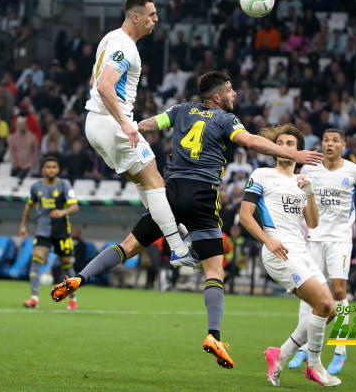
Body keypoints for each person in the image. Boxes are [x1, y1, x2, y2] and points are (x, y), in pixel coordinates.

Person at [50, 71, 323, 369]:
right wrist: (289, 152)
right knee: (214, 271)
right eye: (230, 90)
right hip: (202, 196)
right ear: (217, 97)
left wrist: (124, 129)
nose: (235, 95)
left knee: (128, 245)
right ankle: (213, 336)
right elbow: (251, 142)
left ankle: (79, 277)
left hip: (169, 193)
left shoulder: (180, 110)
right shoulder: (225, 120)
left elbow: (148, 125)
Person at [83, 0, 189, 259]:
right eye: (152, 15)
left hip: (95, 123)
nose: (156, 19)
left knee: (143, 182)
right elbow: (106, 85)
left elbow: (94, 82)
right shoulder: (125, 47)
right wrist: (125, 123)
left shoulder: (110, 38)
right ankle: (178, 248)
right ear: (136, 16)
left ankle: (174, 228)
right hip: (112, 123)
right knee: (154, 179)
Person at [238, 124, 340, 387]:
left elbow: (314, 223)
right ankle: (314, 366)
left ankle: (279, 355)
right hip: (278, 253)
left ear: (299, 150)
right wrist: (268, 241)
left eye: (290, 144)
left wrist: (310, 192)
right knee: (324, 305)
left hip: (301, 251)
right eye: (280, 143)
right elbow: (245, 217)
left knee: (330, 311)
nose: (285, 148)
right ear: (274, 148)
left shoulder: (302, 181)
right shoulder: (261, 175)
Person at [289, 128, 356, 374]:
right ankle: (303, 349)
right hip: (314, 237)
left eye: (335, 141)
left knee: (339, 291)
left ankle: (340, 350)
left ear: (344, 145)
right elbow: (298, 198)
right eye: (326, 140)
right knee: (309, 293)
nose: (329, 144)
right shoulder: (309, 169)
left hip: (340, 239)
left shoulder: (355, 171)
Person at [20, 156, 79, 309]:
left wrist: (62, 212)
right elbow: (29, 207)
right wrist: (23, 226)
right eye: (48, 167)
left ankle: (72, 299)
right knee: (36, 260)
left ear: (58, 169)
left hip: (62, 232)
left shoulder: (64, 185)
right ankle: (34, 299)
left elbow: (75, 207)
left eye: (54, 167)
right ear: (43, 169)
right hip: (43, 231)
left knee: (67, 265)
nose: (51, 170)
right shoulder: (36, 187)